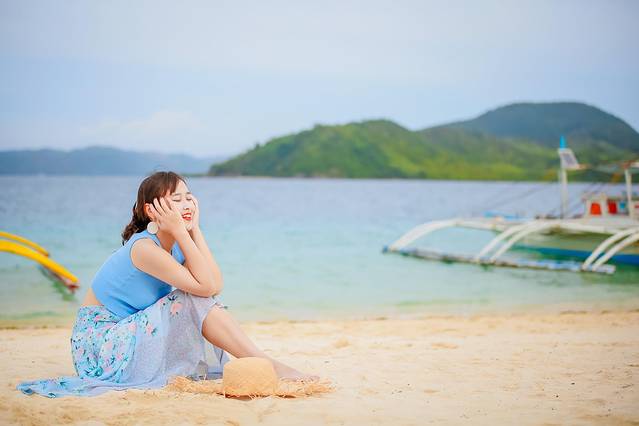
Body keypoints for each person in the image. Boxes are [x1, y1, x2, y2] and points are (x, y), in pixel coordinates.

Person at [17, 171, 318, 397]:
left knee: (195, 297)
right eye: (176, 200)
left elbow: (214, 285)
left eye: (188, 197)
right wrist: (183, 232)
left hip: (128, 336)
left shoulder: (174, 245)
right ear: (152, 211)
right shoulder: (144, 248)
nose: (186, 204)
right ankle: (266, 363)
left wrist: (194, 230)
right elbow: (203, 290)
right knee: (189, 298)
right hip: (100, 346)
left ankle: (263, 361)